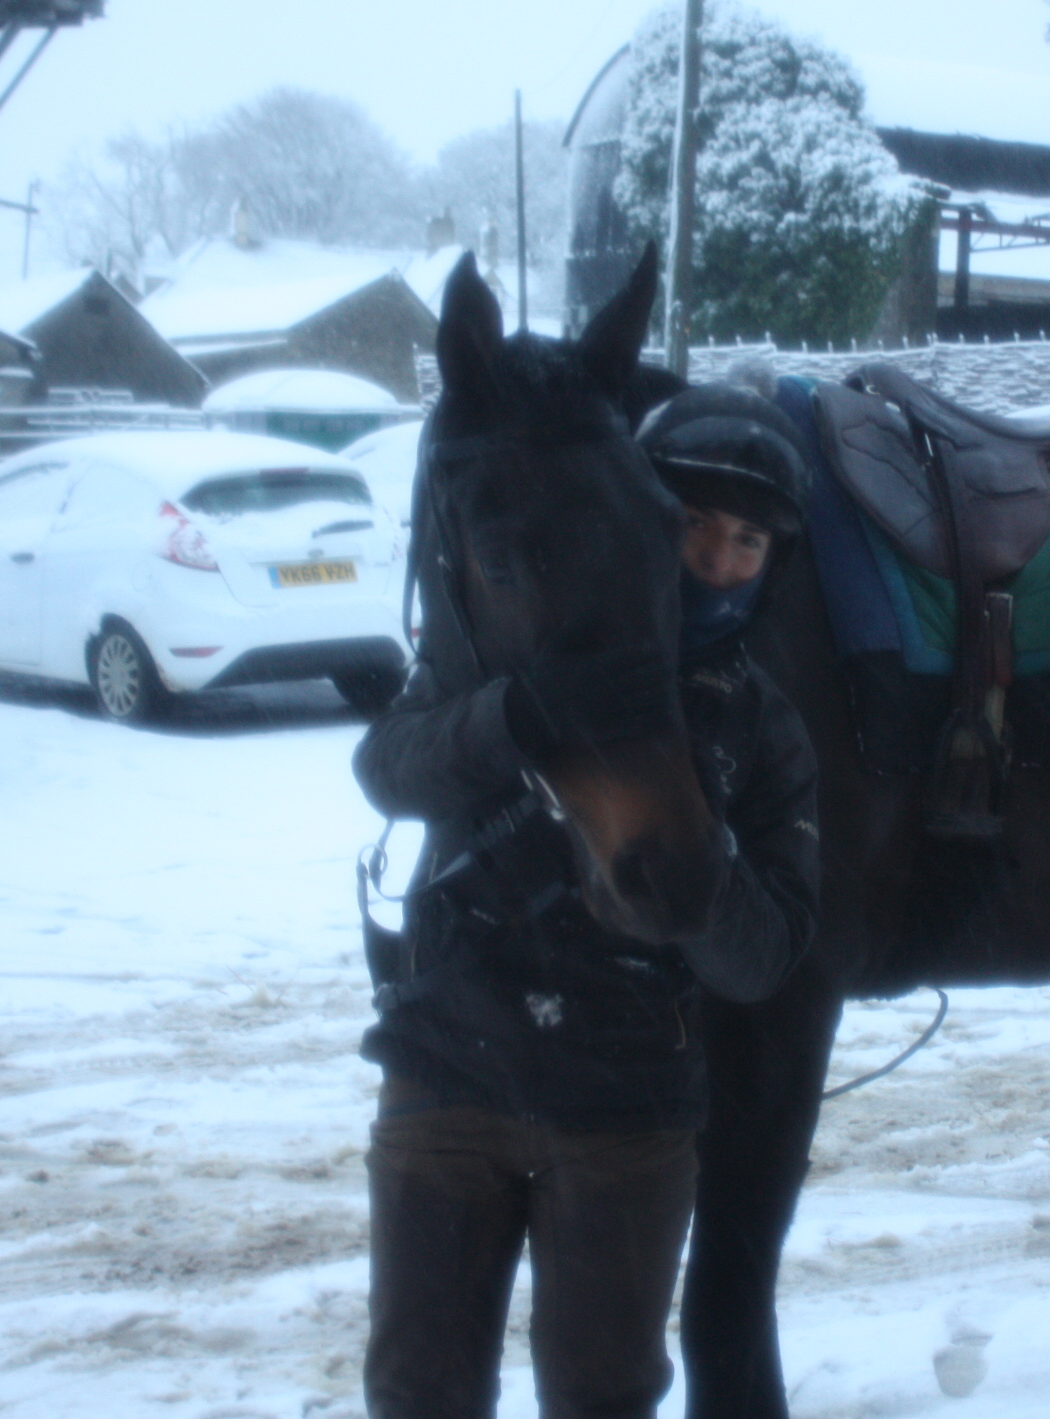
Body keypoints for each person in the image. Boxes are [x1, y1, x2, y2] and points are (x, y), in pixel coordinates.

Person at [354, 383, 819, 1419]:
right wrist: (510, 718)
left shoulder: (766, 729)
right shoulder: (519, 642)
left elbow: (766, 955)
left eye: (750, 541)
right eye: (695, 524)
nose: (718, 560)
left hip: (627, 1112)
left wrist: (698, 883)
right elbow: (387, 765)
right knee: (417, 1391)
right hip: (448, 1075)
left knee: (604, 1397)